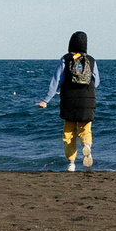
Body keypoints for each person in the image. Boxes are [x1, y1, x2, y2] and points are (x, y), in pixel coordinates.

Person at [37, 30, 99, 170]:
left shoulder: (65, 59)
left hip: (69, 101)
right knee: (85, 128)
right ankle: (86, 145)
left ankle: (71, 163)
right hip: (87, 101)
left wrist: (46, 100)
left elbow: (56, 81)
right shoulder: (91, 60)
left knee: (69, 132)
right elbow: (97, 82)